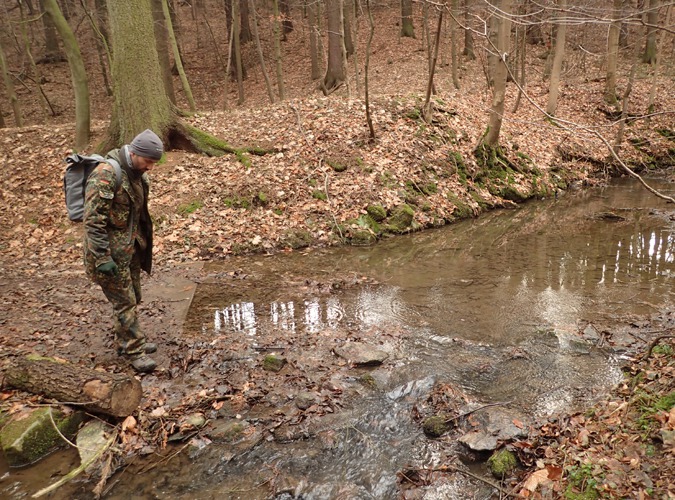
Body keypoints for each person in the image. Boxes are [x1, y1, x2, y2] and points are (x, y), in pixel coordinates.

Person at [83, 129, 163, 373]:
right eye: (148, 160)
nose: (150, 167)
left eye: (153, 162)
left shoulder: (138, 174)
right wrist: (102, 257)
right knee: (124, 301)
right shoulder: (106, 175)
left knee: (132, 296)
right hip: (109, 254)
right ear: (135, 153)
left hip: (129, 250)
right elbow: (92, 221)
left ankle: (126, 340)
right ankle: (133, 350)